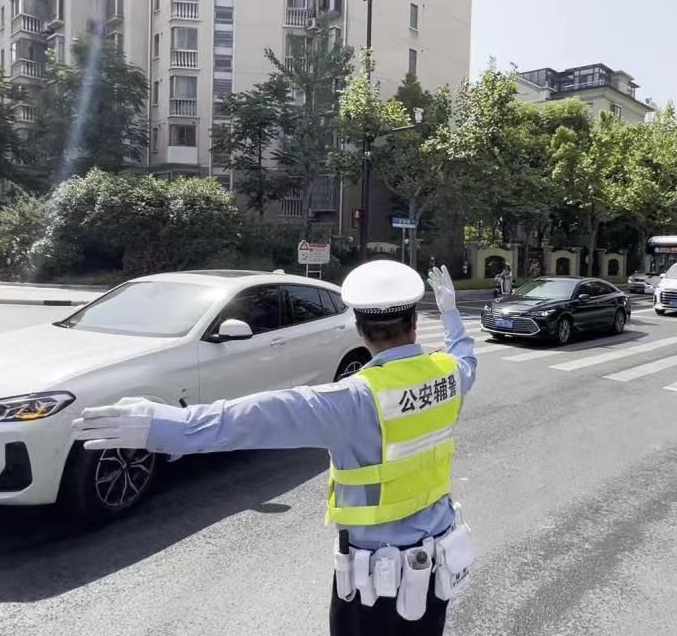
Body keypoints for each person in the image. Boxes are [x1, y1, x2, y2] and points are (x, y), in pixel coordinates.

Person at [71, 263, 477, 634]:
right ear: (414, 322)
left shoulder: (353, 400)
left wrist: (159, 425)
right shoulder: (449, 376)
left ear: (359, 328)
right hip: (435, 568)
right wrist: (451, 312)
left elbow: (246, 419)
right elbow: (465, 354)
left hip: (378, 582)